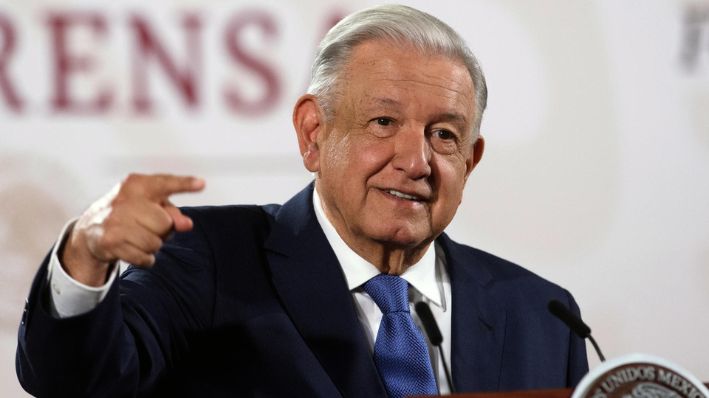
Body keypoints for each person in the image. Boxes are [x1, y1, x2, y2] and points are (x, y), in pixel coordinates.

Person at [16, 4, 588, 397]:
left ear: (471, 158)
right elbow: (78, 383)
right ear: (313, 133)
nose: (416, 162)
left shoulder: (542, 315)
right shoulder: (204, 263)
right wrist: (84, 259)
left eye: (444, 135)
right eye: (383, 122)